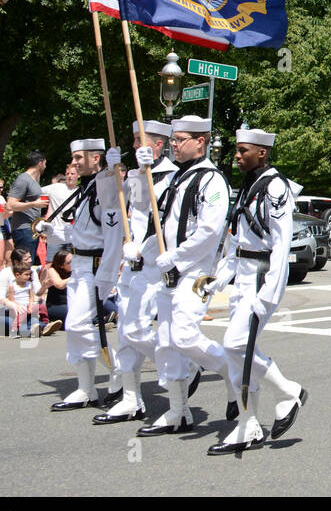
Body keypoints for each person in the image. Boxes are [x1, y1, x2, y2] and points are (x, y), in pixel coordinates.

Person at [195, 128, 309, 454]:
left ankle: (289, 391)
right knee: (239, 356)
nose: (237, 155)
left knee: (235, 344)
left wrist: (269, 293)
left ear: (262, 152)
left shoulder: (275, 187)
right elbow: (238, 244)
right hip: (243, 276)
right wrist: (218, 279)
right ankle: (248, 425)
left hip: (261, 278)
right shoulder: (247, 186)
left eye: (243, 150)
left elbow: (281, 243)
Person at [134, 115, 229, 437]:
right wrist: (140, 169)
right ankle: (178, 411)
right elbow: (155, 215)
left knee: (185, 336)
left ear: (200, 142)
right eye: (172, 140)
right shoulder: (178, 178)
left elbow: (209, 230)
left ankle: (238, 373)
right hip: (170, 273)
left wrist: (175, 256)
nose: (173, 144)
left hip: (197, 273)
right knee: (166, 343)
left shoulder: (212, 180)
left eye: (180, 139)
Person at [95, 121, 177, 425]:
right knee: (126, 336)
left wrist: (146, 176)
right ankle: (131, 399)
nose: (132, 146)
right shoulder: (137, 173)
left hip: (156, 265)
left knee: (137, 331)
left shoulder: (174, 175)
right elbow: (114, 205)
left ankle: (180, 366)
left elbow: (160, 213)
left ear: (157, 145)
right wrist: (109, 172)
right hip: (133, 263)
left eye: (138, 141)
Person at [36, 138, 117, 410]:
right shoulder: (86, 189)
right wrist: (53, 231)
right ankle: (87, 388)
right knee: (75, 325)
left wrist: (107, 272)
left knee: (80, 324)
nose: (74, 164)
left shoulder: (103, 188)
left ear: (96, 158)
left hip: (94, 265)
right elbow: (81, 232)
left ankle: (119, 372)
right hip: (80, 261)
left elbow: (113, 233)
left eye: (80, 158)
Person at [5, 151, 47, 266]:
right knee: (24, 264)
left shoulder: (34, 181)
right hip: (23, 229)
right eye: (45, 163)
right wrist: (34, 204)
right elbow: (11, 204)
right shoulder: (23, 179)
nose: (45, 167)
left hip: (32, 228)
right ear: (40, 163)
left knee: (29, 263)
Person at [39, 164, 80, 266]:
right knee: (50, 263)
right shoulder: (55, 187)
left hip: (72, 233)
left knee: (72, 264)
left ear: (78, 175)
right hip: (55, 232)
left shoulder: (81, 191)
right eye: (67, 174)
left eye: (72, 174)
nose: (70, 176)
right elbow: (35, 191)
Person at [0, 249, 39, 337]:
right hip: (6, 311)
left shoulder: (31, 272)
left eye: (30, 257)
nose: (30, 260)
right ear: (16, 261)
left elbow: (37, 291)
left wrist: (45, 285)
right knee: (18, 323)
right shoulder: (5, 273)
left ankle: (37, 327)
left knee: (34, 320)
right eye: (26, 259)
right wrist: (15, 306)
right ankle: (32, 330)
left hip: (26, 310)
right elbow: (0, 297)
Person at [37, 249, 70, 333]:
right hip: (56, 305)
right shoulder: (52, 270)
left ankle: (98, 321)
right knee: (72, 312)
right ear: (61, 265)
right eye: (69, 262)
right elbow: (60, 285)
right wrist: (76, 276)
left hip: (70, 303)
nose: (73, 264)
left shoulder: (73, 271)